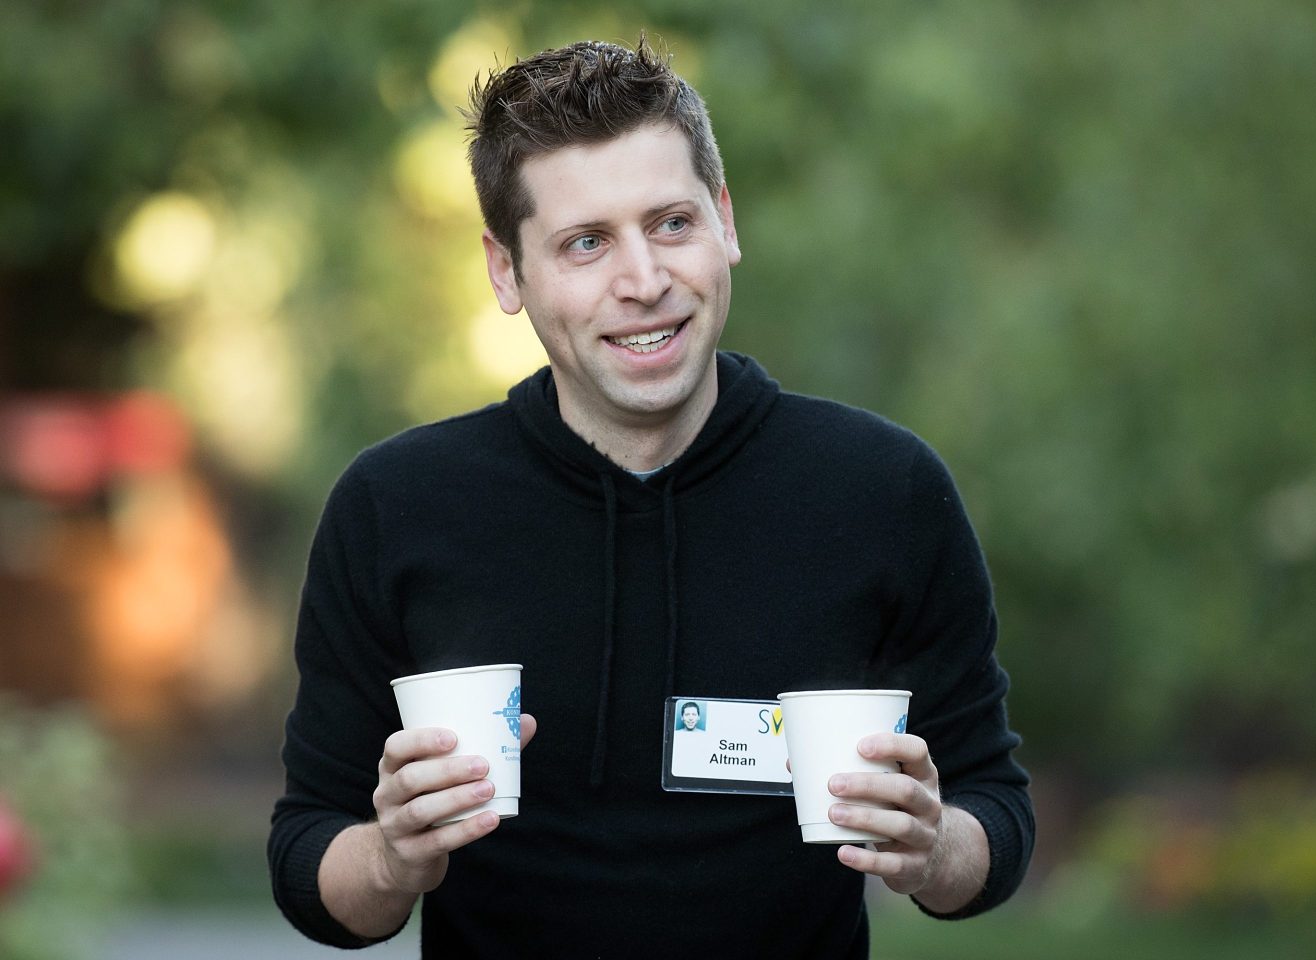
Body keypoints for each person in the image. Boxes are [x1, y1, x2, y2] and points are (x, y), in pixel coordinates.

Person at [269, 36, 1033, 958]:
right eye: (586, 243)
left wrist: (929, 845)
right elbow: (310, 855)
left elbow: (994, 815)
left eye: (671, 223)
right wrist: (392, 858)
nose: (643, 281)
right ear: (506, 271)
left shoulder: (883, 491)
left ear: (725, 223)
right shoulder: (397, 506)